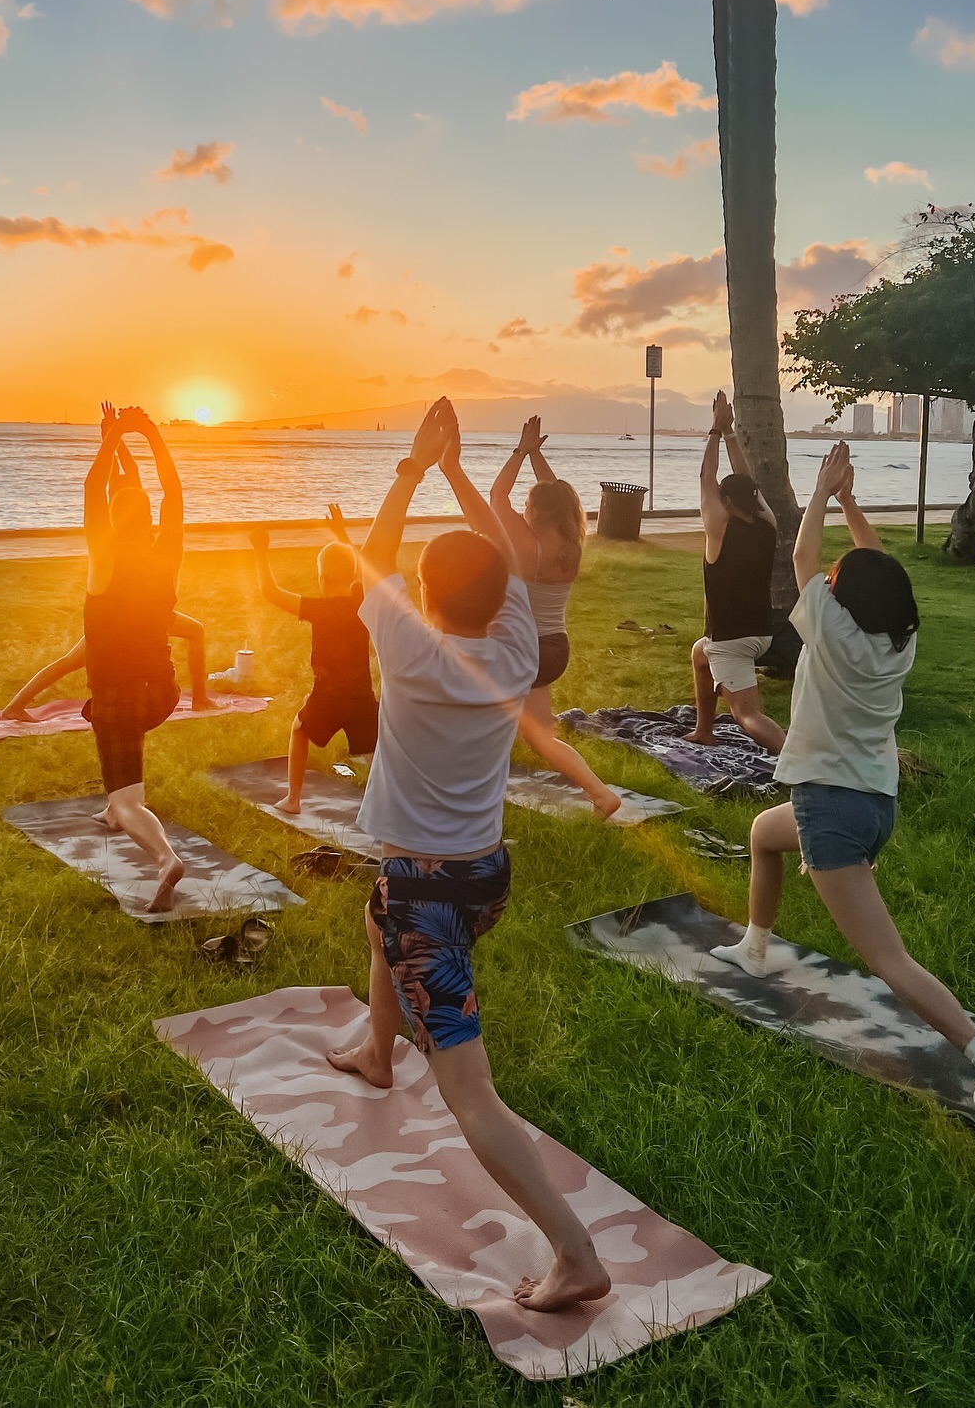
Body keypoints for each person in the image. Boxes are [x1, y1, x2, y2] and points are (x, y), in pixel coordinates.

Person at [327, 399, 611, 1312]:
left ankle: (574, 1251)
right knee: (375, 911)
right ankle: (378, 1050)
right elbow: (498, 554)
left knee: (471, 1091)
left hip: (429, 896)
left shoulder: (409, 648)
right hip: (486, 876)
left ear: (426, 593)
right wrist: (453, 472)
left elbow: (371, 554)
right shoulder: (518, 643)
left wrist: (414, 466)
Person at [711, 443, 975, 1123]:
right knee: (764, 834)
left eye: (835, 578)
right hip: (875, 802)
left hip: (831, 807)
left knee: (889, 959)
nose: (826, 578)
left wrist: (822, 491)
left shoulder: (829, 631)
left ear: (841, 597)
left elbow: (801, 557)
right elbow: (874, 565)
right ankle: (755, 947)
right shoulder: (895, 641)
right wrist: (852, 503)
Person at [1, 445, 217, 719]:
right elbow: (129, 475)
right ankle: (14, 707)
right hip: (126, 614)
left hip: (142, 609)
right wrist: (120, 437)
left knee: (194, 631)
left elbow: (120, 474)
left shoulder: (120, 512)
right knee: (72, 661)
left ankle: (200, 698)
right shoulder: (129, 513)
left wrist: (113, 439)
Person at [79, 403, 190, 914]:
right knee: (119, 760)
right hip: (162, 691)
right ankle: (111, 808)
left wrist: (113, 437)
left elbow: (93, 488)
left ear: (111, 521)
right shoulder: (165, 554)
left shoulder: (104, 559)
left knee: (130, 799)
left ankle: (164, 859)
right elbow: (170, 492)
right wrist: (142, 434)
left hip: (120, 698)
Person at [490, 417, 620, 817]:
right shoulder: (571, 540)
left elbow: (496, 496)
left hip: (524, 648)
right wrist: (535, 454)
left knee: (479, 714)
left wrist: (519, 451)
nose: (523, 509)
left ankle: (465, 788)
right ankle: (600, 794)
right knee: (536, 734)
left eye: (528, 506)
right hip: (554, 648)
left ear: (536, 513)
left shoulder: (527, 544)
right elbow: (558, 495)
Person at [249, 503, 377, 812]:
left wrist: (261, 551)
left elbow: (269, 591)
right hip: (361, 696)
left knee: (299, 729)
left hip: (328, 696)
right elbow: (361, 569)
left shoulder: (318, 609)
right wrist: (341, 535)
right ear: (351, 577)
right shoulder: (361, 602)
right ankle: (387, 804)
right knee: (375, 754)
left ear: (321, 577)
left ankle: (293, 799)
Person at [686, 391, 785, 754]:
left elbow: (706, 475)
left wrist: (715, 429)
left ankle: (798, 762)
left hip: (732, 639)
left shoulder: (720, 529)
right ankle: (704, 731)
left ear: (726, 502)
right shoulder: (768, 523)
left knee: (747, 714)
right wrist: (729, 433)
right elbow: (747, 481)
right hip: (762, 632)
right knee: (699, 654)